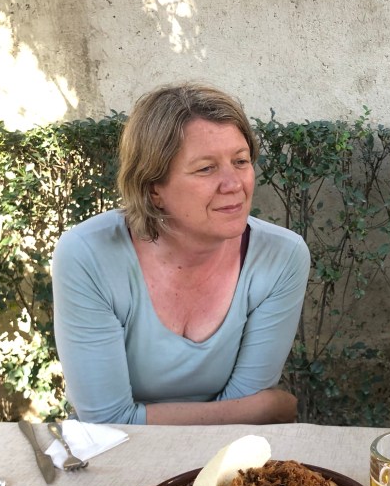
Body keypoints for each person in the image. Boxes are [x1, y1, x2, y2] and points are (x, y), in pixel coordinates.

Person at [52, 83, 310, 425]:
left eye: (241, 161)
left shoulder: (281, 256)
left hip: (227, 453)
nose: (234, 184)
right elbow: (107, 421)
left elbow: (244, 408)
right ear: (153, 189)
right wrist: (264, 408)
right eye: (206, 168)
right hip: (114, 451)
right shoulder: (89, 254)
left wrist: (254, 410)